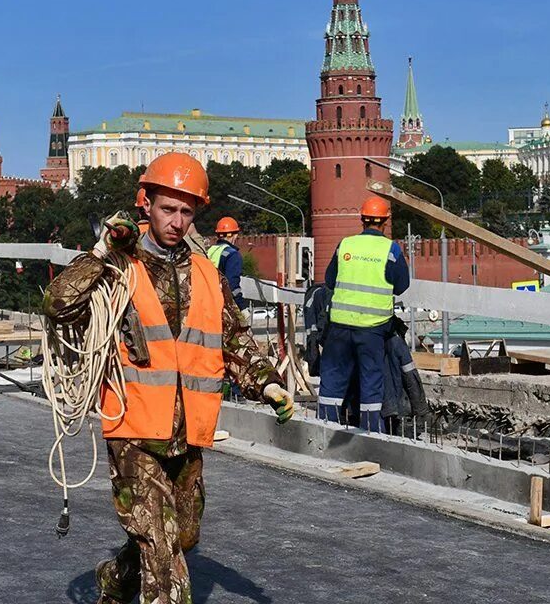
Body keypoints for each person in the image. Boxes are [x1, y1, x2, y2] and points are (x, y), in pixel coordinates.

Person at [43, 152, 294, 604]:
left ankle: (116, 579)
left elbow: (234, 339)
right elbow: (59, 305)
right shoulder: (119, 265)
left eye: (187, 211)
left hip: (187, 433)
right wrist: (101, 251)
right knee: (163, 555)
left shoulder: (204, 272)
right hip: (135, 428)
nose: (177, 221)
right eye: (167, 209)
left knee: (182, 535)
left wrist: (268, 383)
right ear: (145, 203)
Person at [318, 195, 411, 432]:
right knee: (371, 382)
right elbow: (401, 285)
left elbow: (329, 280)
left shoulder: (345, 245)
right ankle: (371, 434)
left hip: (338, 326)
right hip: (372, 328)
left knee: (332, 380)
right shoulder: (391, 250)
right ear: (385, 222)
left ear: (362, 220)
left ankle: (324, 430)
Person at [204, 216, 247, 311]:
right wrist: (242, 308)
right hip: (220, 305)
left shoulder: (209, 251)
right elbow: (232, 286)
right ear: (235, 235)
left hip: (204, 302)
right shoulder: (233, 255)